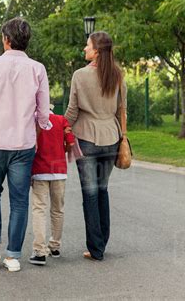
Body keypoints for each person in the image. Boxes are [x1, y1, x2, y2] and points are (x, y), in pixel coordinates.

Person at [0, 17, 50, 272]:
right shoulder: (38, 69)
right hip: (23, 144)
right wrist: (36, 137)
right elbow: (43, 115)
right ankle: (13, 255)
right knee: (19, 200)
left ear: (6, 39)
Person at [64, 31, 127, 261]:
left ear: (97, 51)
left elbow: (72, 110)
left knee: (90, 193)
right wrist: (123, 136)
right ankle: (101, 242)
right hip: (111, 137)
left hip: (87, 138)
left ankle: (96, 248)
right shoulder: (117, 75)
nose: (84, 48)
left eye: (87, 45)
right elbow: (122, 109)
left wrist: (63, 129)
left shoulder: (80, 76)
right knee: (102, 190)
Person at [29, 106, 75, 266]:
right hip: (59, 171)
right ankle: (55, 246)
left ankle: (40, 250)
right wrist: (62, 150)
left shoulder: (32, 121)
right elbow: (70, 142)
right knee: (57, 209)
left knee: (39, 209)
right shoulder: (61, 120)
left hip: (39, 170)